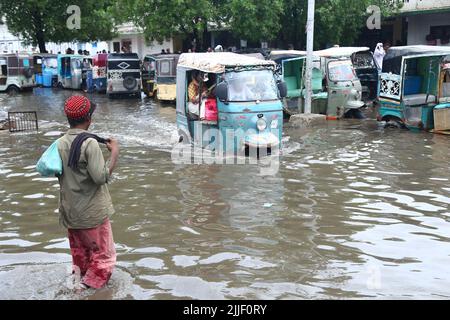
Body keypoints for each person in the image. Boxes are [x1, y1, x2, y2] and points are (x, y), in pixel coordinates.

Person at [57, 95, 119, 291]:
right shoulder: (90, 144)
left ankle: (78, 283)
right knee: (103, 258)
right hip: (92, 214)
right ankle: (86, 291)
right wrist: (114, 154)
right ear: (89, 118)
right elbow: (100, 177)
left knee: (81, 256)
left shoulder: (60, 143)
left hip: (71, 213)